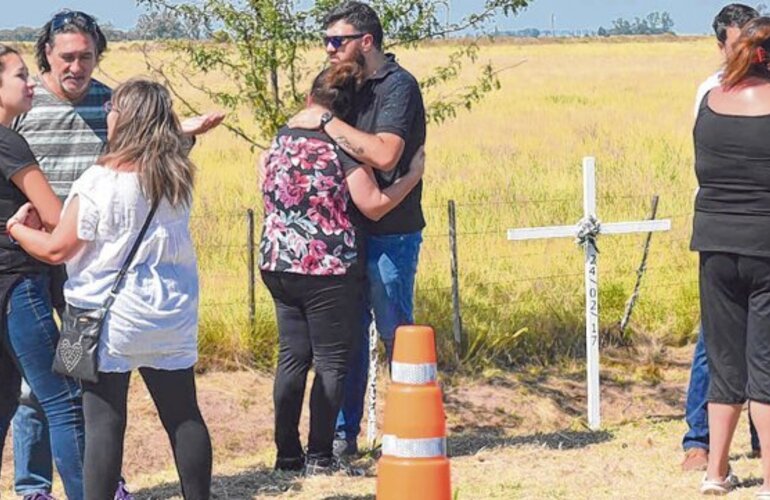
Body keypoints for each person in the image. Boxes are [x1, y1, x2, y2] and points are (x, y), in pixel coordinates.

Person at [8, 10, 222, 499]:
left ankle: (94, 487)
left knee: (85, 396)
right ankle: (34, 485)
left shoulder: (109, 109)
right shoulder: (22, 104)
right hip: (39, 270)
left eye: (86, 56)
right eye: (67, 57)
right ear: (47, 55)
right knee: (35, 389)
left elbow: (148, 144)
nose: (77, 66)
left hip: (88, 277)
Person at [261, 61, 424, 474]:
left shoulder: (279, 141)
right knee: (332, 362)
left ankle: (286, 454)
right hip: (326, 267)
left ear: (308, 98)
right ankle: (319, 456)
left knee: (292, 358)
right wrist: (411, 177)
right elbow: (373, 204)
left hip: (279, 261)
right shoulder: (342, 149)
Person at [0, 44, 85, 500]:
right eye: (19, 76)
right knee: (64, 399)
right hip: (20, 285)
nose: (30, 83)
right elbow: (55, 218)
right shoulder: (8, 141)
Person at [690, 16, 770, 495]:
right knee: (766, 363)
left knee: (724, 363)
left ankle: (715, 472)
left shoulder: (709, 102)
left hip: (716, 244)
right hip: (766, 245)